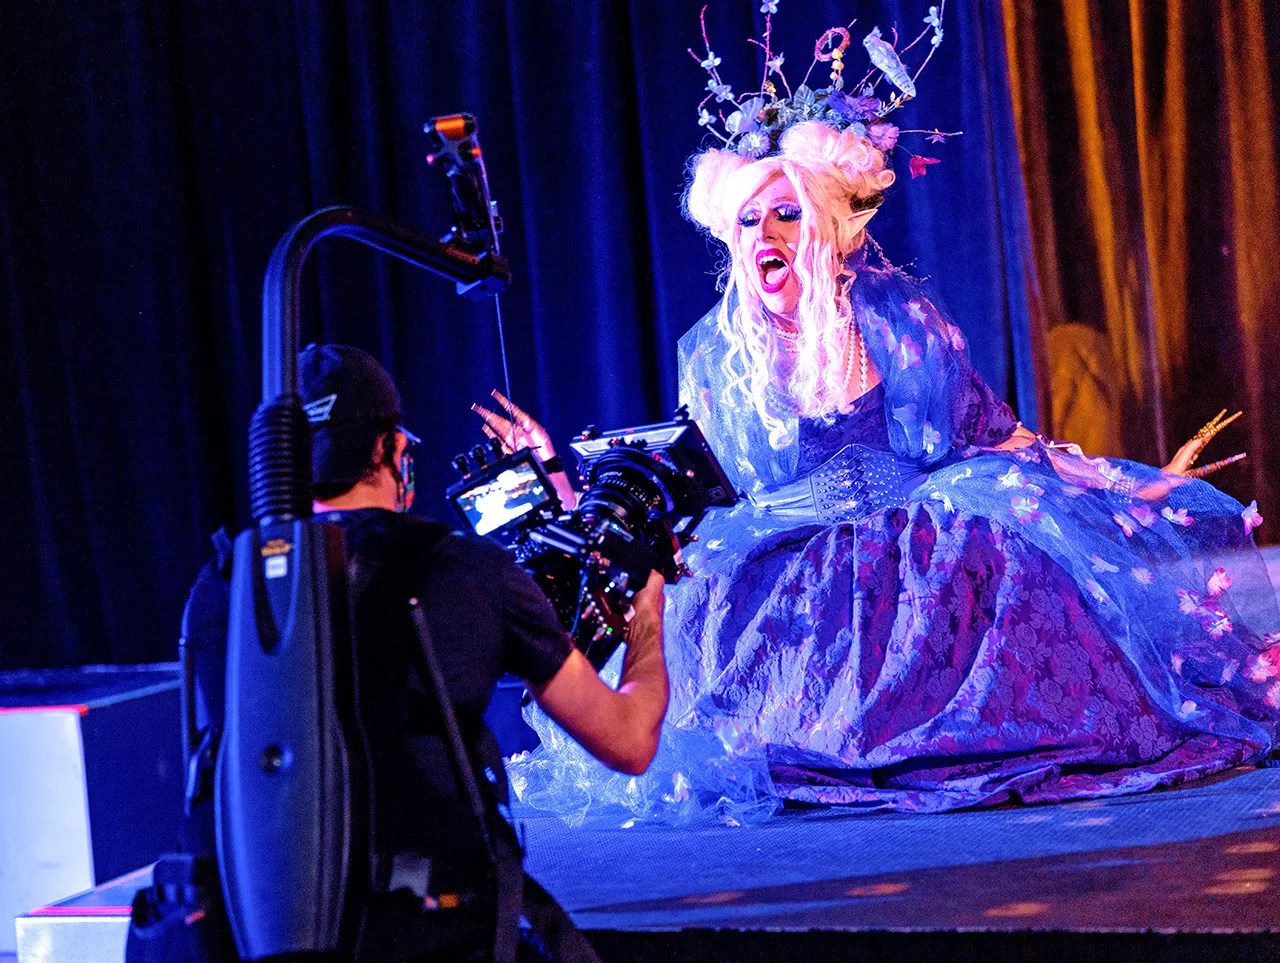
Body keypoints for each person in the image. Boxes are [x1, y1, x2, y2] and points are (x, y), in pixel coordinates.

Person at [487, 12, 1280, 825]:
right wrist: (563, 486)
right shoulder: (716, 354)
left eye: (787, 214)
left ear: (827, 229)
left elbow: (991, 436)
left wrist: (1116, 486)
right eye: (750, 221)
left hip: (910, 530)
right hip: (782, 547)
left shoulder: (897, 318)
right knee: (706, 600)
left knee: (990, 556)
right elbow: (691, 490)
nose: (766, 234)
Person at [177, 344, 667, 961]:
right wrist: (648, 619)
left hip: (253, 933)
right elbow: (628, 741)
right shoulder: (464, 570)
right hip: (427, 934)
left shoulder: (217, 587)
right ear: (387, 449)